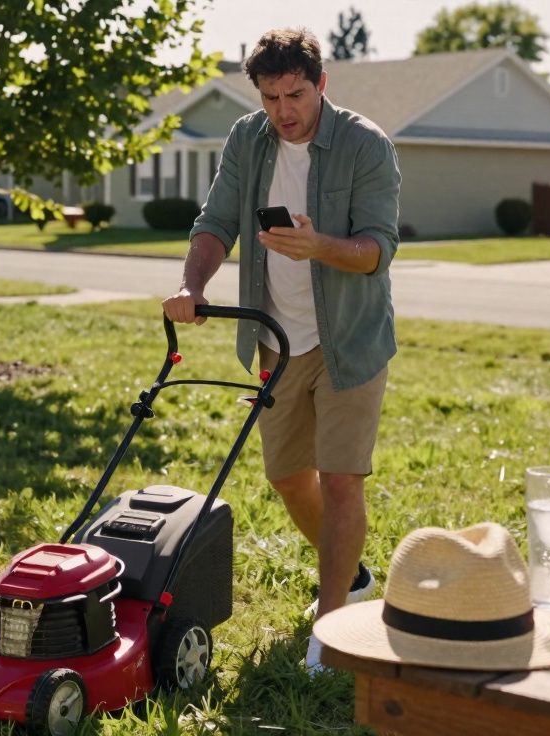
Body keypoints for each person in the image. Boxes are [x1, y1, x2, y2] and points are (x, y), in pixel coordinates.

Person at [161, 27, 400, 674]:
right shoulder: (248, 139)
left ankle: (331, 631)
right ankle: (349, 578)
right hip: (277, 340)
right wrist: (191, 285)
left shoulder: (365, 145)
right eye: (270, 97)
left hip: (348, 338)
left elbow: (378, 249)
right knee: (287, 476)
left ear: (321, 84)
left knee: (342, 478)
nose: (283, 111)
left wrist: (320, 245)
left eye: (295, 94)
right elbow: (214, 222)